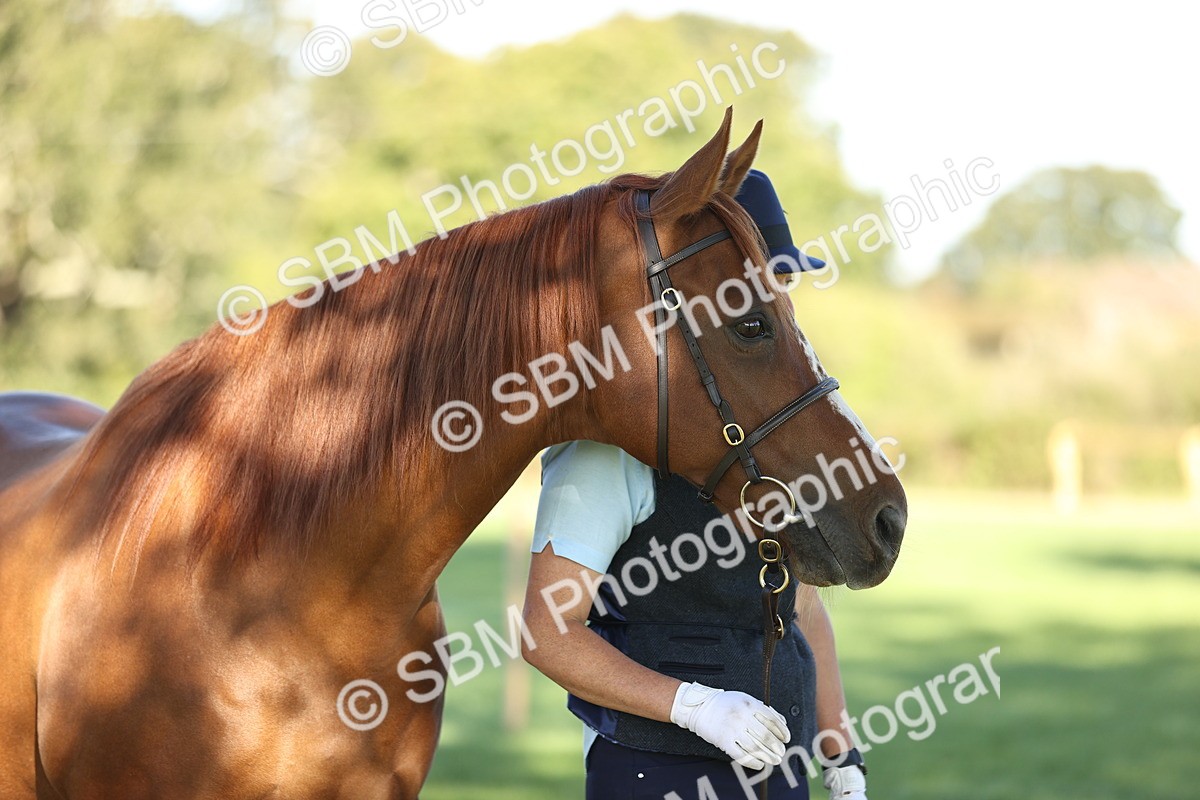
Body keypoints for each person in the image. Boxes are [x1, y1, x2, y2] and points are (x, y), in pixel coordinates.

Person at [521, 171, 870, 799]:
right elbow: (547, 632)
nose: (782, 300)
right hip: (653, 769)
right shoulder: (606, 452)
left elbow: (803, 609)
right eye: (770, 282)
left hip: (779, 772)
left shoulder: (766, 436)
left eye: (785, 282)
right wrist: (695, 706)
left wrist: (841, 756)